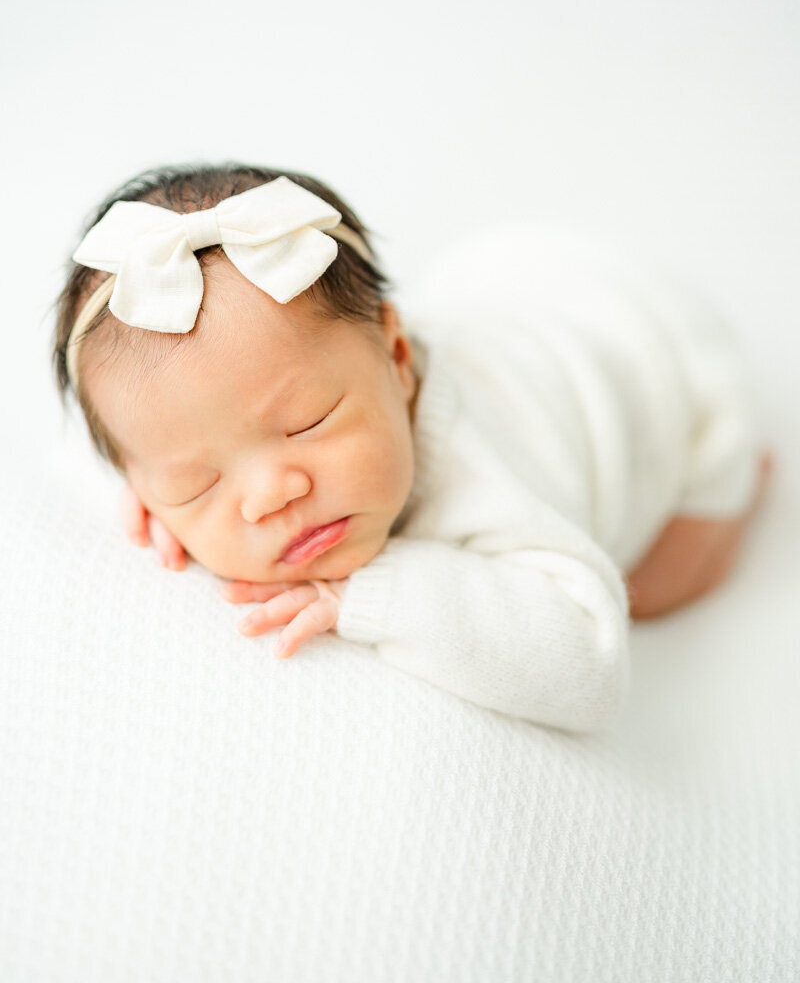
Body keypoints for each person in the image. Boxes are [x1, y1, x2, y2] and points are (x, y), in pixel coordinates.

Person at [52, 162, 772, 733]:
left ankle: (745, 496)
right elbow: (118, 438)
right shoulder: (194, 421)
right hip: (516, 282)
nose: (271, 493)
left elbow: (590, 662)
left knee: (662, 581)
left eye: (308, 421)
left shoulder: (480, 467)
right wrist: (156, 503)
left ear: (398, 356)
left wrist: (375, 595)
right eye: (197, 481)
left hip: (659, 364)